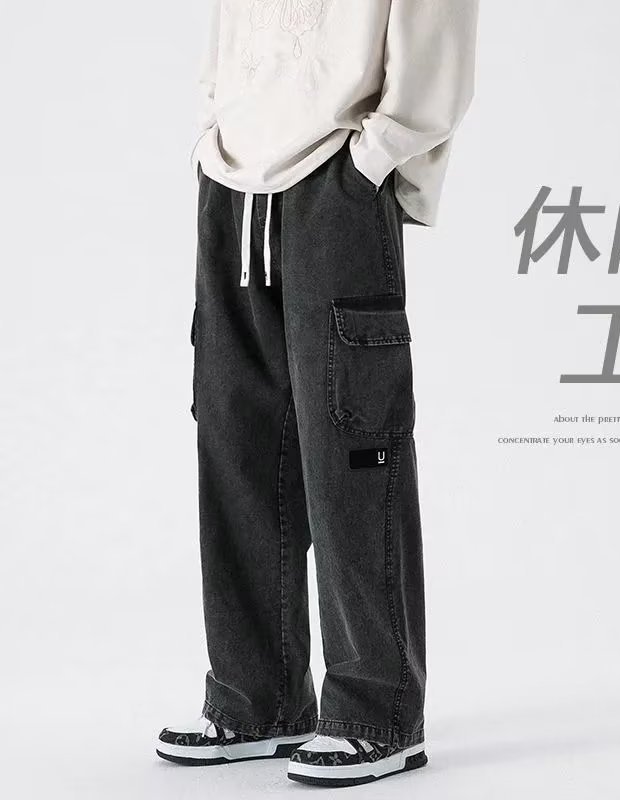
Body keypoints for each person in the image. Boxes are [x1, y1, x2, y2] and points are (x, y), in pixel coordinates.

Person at [156, 0, 478, 787]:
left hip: (335, 179)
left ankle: (376, 713)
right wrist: (212, 134)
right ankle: (255, 701)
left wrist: (371, 161)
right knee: (233, 439)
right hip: (231, 183)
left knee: (353, 448)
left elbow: (438, 48)